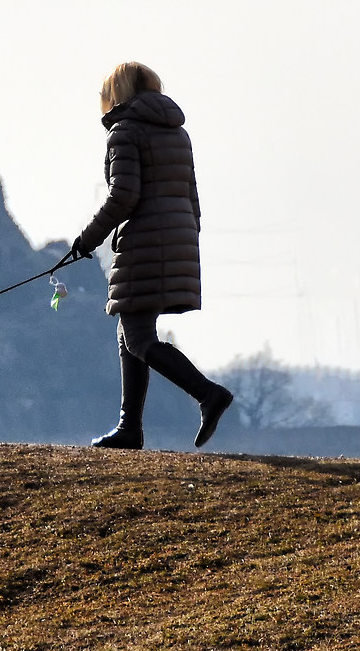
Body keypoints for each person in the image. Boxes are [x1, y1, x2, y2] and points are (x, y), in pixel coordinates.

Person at [66, 62, 235, 450]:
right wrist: (185, 239)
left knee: (139, 338)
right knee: (130, 333)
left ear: (115, 94)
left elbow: (123, 195)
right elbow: (192, 197)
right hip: (176, 239)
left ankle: (208, 394)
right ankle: (129, 428)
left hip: (145, 241)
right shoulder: (178, 134)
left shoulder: (124, 132)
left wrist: (87, 240)